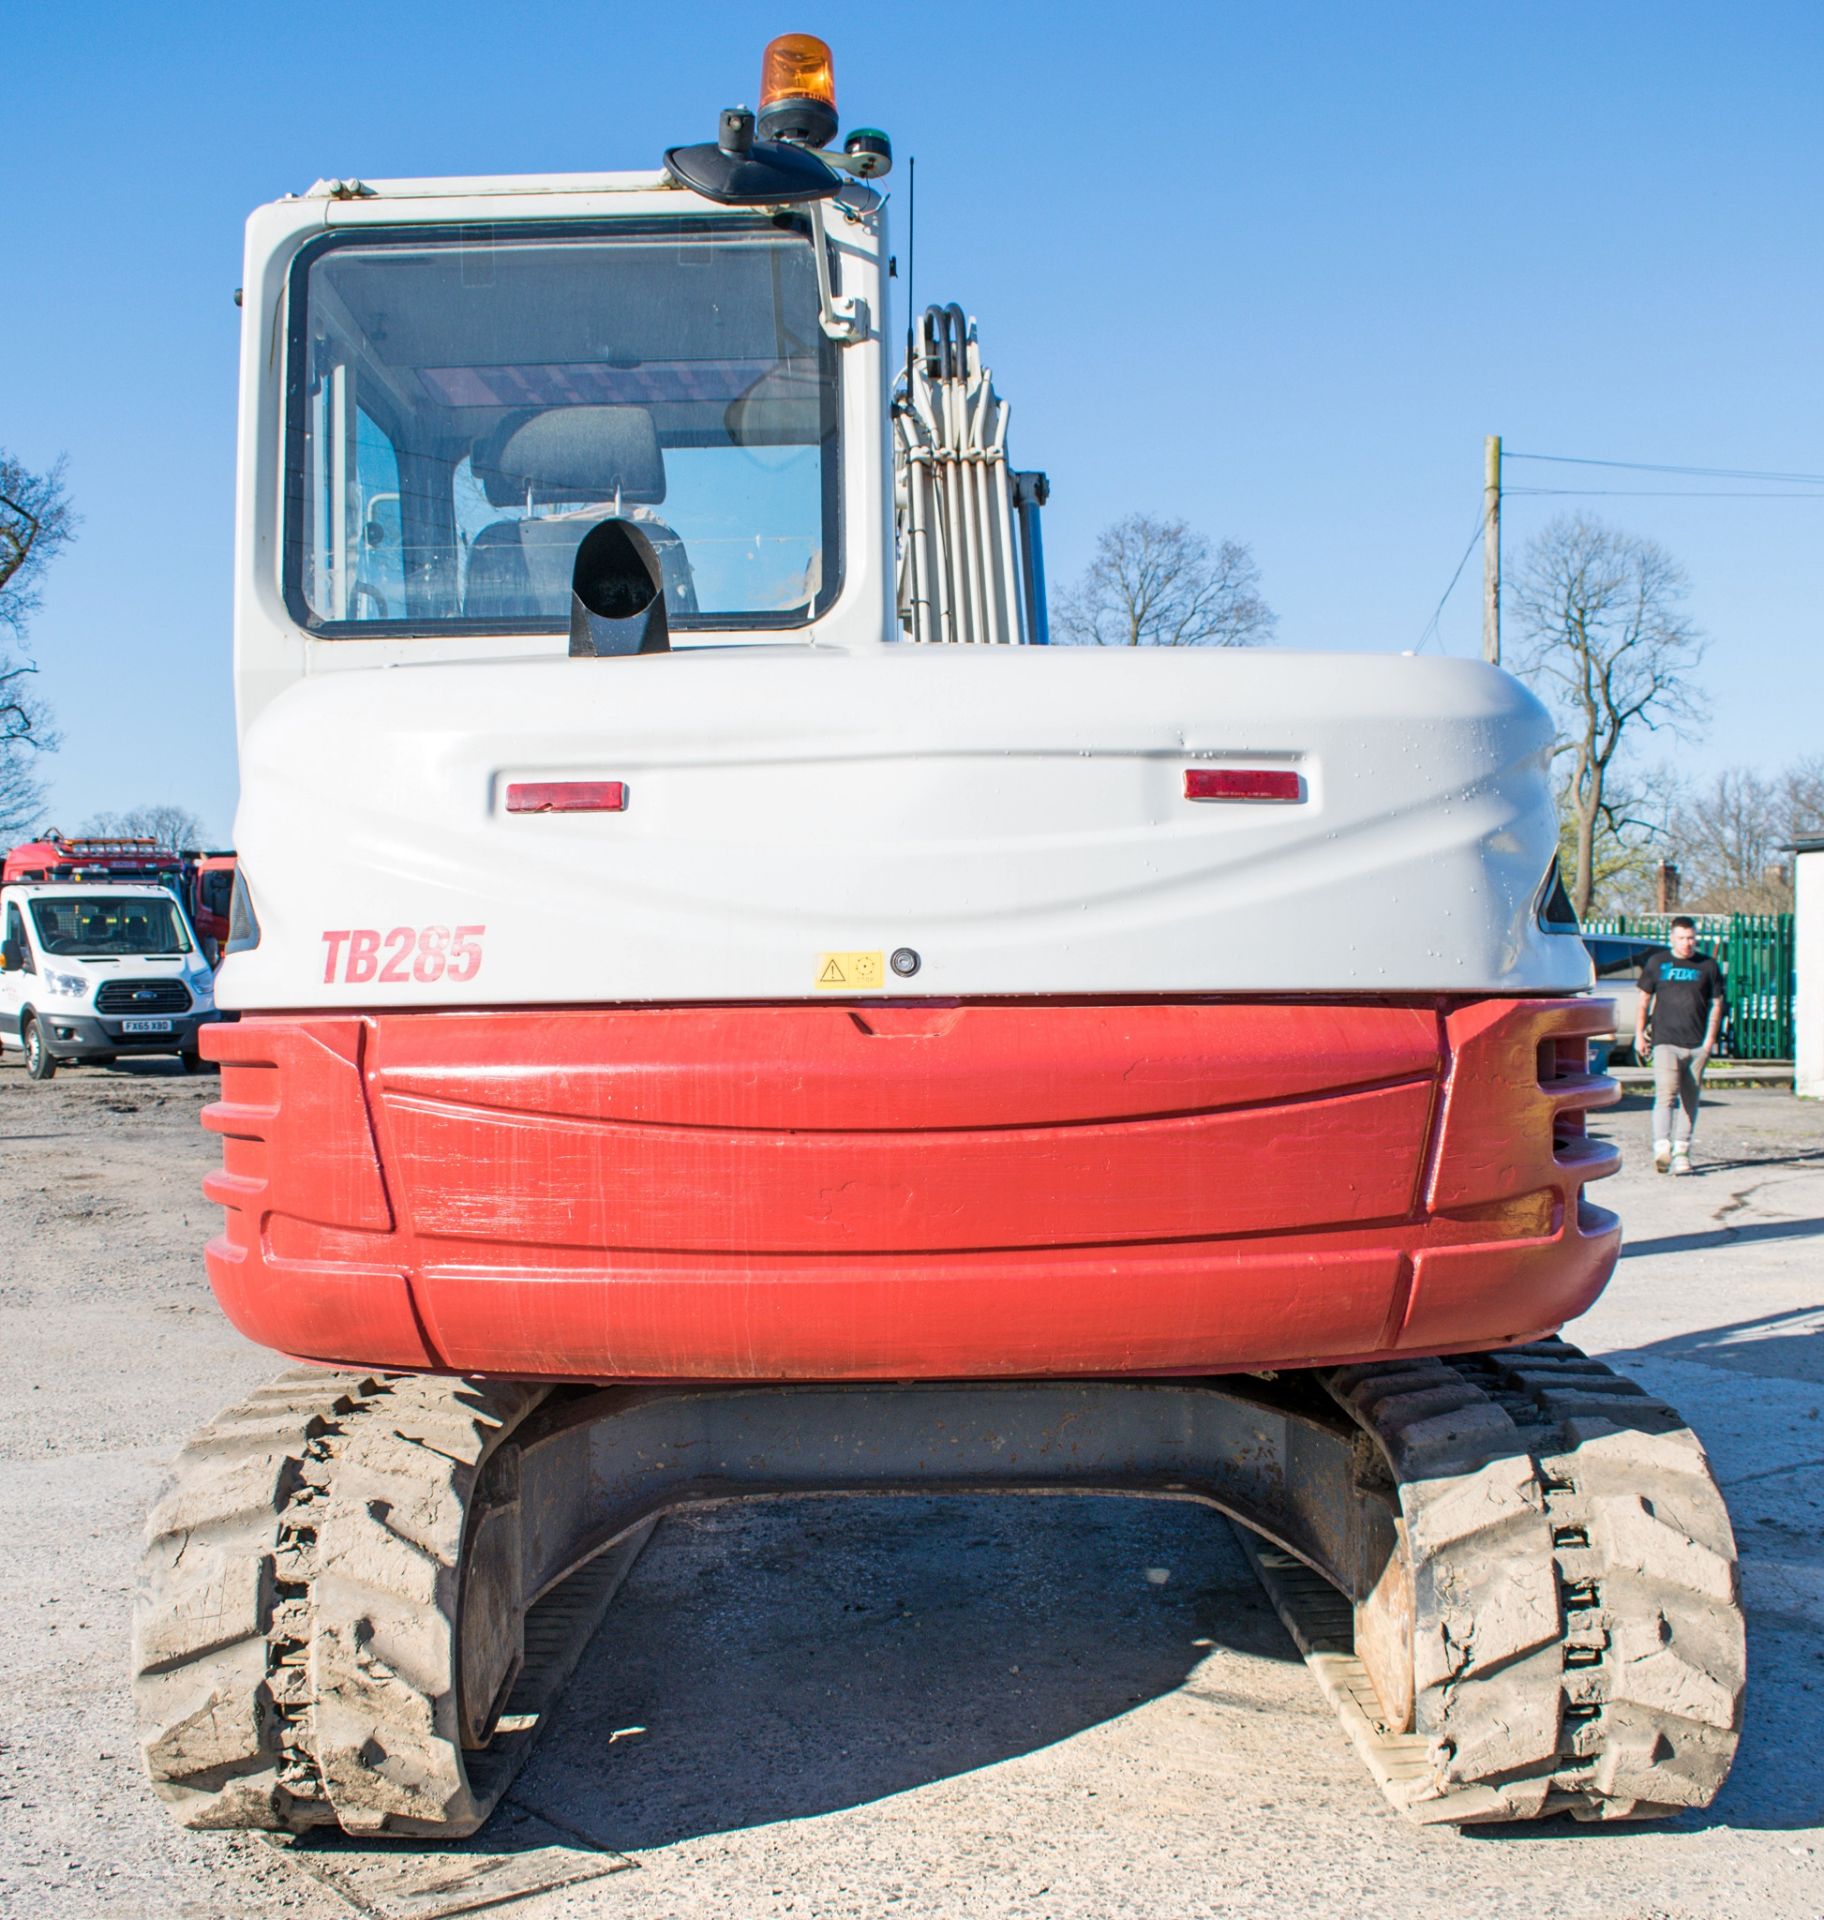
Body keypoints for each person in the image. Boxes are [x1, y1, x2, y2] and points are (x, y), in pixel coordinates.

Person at [1635, 917, 1727, 1175]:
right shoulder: (1658, 963)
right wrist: (1639, 1035)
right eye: (1682, 938)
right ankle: (1661, 1147)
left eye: (1691, 938)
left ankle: (1682, 1152)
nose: (1687, 943)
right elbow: (1643, 1000)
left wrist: (1709, 1041)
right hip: (1666, 1042)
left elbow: (1716, 1005)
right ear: (1672, 938)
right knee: (1666, 1094)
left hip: (1697, 1044)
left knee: (1690, 1100)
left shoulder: (1708, 965)